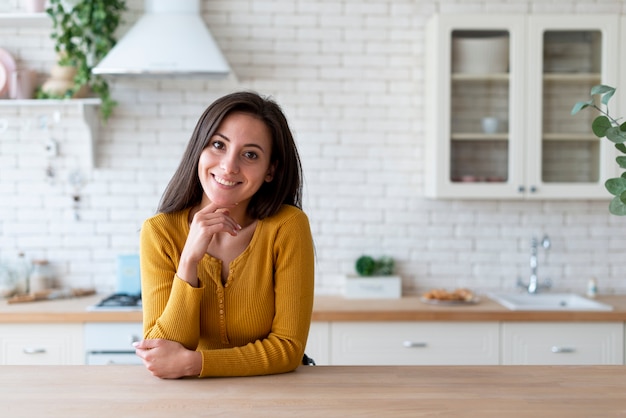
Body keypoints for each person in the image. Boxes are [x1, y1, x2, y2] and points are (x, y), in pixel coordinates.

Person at [135, 91, 315, 379]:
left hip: (275, 397)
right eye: (219, 145)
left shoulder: (287, 227)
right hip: (193, 402)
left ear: (271, 170)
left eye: (250, 154)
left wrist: (195, 364)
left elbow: (288, 348)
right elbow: (163, 351)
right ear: (199, 150)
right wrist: (189, 261)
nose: (229, 166)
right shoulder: (159, 232)